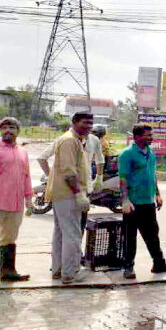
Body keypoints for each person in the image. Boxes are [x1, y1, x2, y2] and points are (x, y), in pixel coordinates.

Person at [120, 124, 166, 279]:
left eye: (151, 135)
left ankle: (158, 263)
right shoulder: (127, 154)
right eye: (148, 135)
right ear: (137, 137)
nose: (151, 138)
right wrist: (125, 200)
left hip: (148, 202)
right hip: (133, 203)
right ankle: (128, 267)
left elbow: (153, 175)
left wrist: (158, 194)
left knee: (153, 235)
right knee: (130, 237)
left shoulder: (150, 153)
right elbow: (123, 178)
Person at [47, 112, 93, 284]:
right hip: (68, 194)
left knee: (61, 234)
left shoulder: (74, 140)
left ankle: (58, 270)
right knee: (72, 235)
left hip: (62, 194)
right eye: (84, 122)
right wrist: (78, 194)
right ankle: (70, 273)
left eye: (90, 123)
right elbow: (69, 172)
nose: (88, 126)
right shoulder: (69, 140)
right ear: (74, 122)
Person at [38, 124, 104, 233]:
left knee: (78, 224)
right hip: (67, 189)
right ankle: (67, 249)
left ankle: (72, 249)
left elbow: (100, 159)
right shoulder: (65, 140)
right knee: (66, 225)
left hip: (82, 187)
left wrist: (99, 178)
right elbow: (41, 158)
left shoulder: (93, 140)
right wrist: (51, 177)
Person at [0, 117, 33, 284]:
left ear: (18, 131)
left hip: (16, 206)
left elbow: (27, 177)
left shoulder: (23, 152)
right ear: (0, 130)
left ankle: (8, 272)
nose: (8, 130)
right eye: (4, 128)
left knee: (9, 239)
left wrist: (29, 200)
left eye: (12, 127)